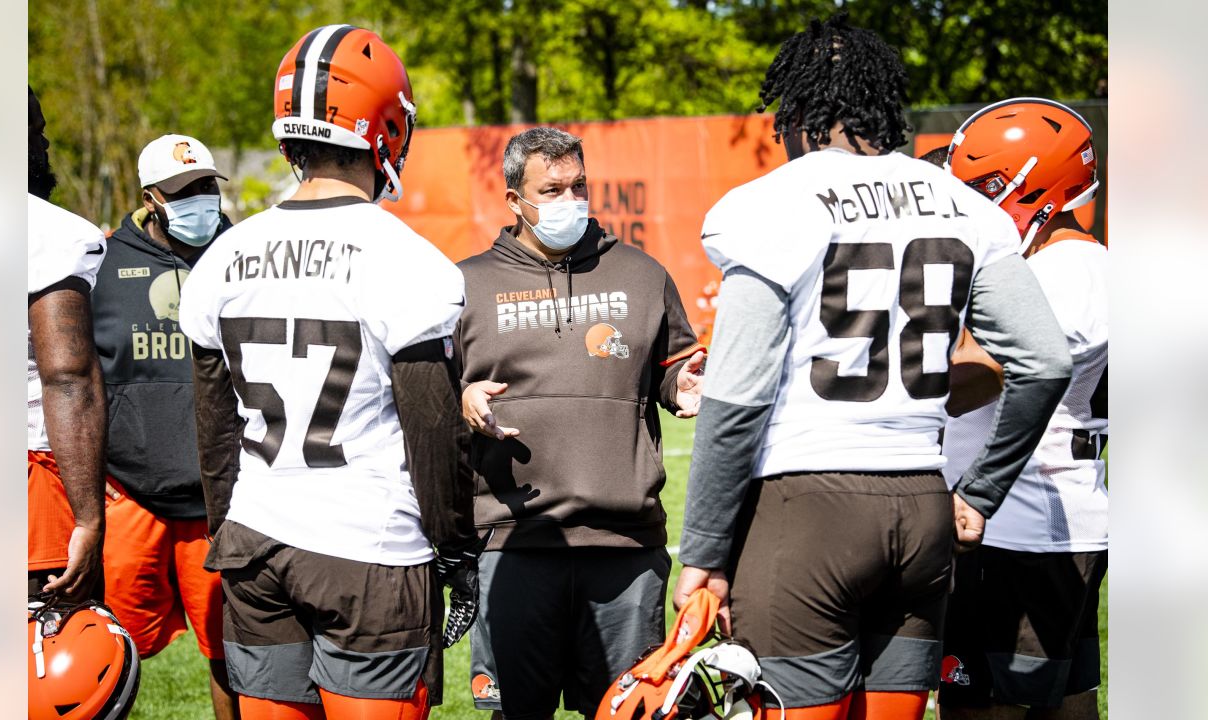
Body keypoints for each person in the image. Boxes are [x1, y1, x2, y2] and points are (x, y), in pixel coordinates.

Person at [671, 15, 1074, 720]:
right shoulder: (962, 204)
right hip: (923, 504)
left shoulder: (770, 204)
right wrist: (978, 494)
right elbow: (1043, 362)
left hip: (806, 510)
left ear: (796, 108)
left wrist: (703, 550)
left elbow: (736, 397)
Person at [178, 24, 481, 720]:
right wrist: (457, 550)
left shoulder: (223, 258)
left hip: (255, 543)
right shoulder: (407, 259)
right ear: (385, 130)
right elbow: (433, 431)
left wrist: (230, 533)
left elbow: (214, 434)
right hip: (368, 552)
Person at [454, 126, 706, 720]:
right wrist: (462, 398)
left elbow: (672, 369)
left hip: (624, 549)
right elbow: (429, 398)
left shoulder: (643, 275)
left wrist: (684, 385)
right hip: (513, 545)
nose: (570, 200)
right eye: (551, 189)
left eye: (578, 186)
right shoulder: (465, 285)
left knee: (632, 714)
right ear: (515, 200)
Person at [938, 98, 1108, 720]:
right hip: (1063, 514)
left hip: (1015, 521)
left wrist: (894, 378)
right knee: (1067, 699)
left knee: (981, 708)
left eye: (982, 186)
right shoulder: (1089, 265)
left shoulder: (1058, 274)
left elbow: (979, 378)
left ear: (1037, 184)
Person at [92, 133, 236, 718]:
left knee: (233, 656)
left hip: (220, 499)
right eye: (182, 191)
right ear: (151, 197)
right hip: (131, 495)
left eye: (206, 185)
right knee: (106, 651)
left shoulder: (241, 252)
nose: (199, 200)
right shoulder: (101, 263)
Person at [27, 85, 108, 603]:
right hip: (27, 477)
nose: (47, 146)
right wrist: (88, 516)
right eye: (38, 133)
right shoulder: (49, 234)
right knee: (46, 659)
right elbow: (67, 377)